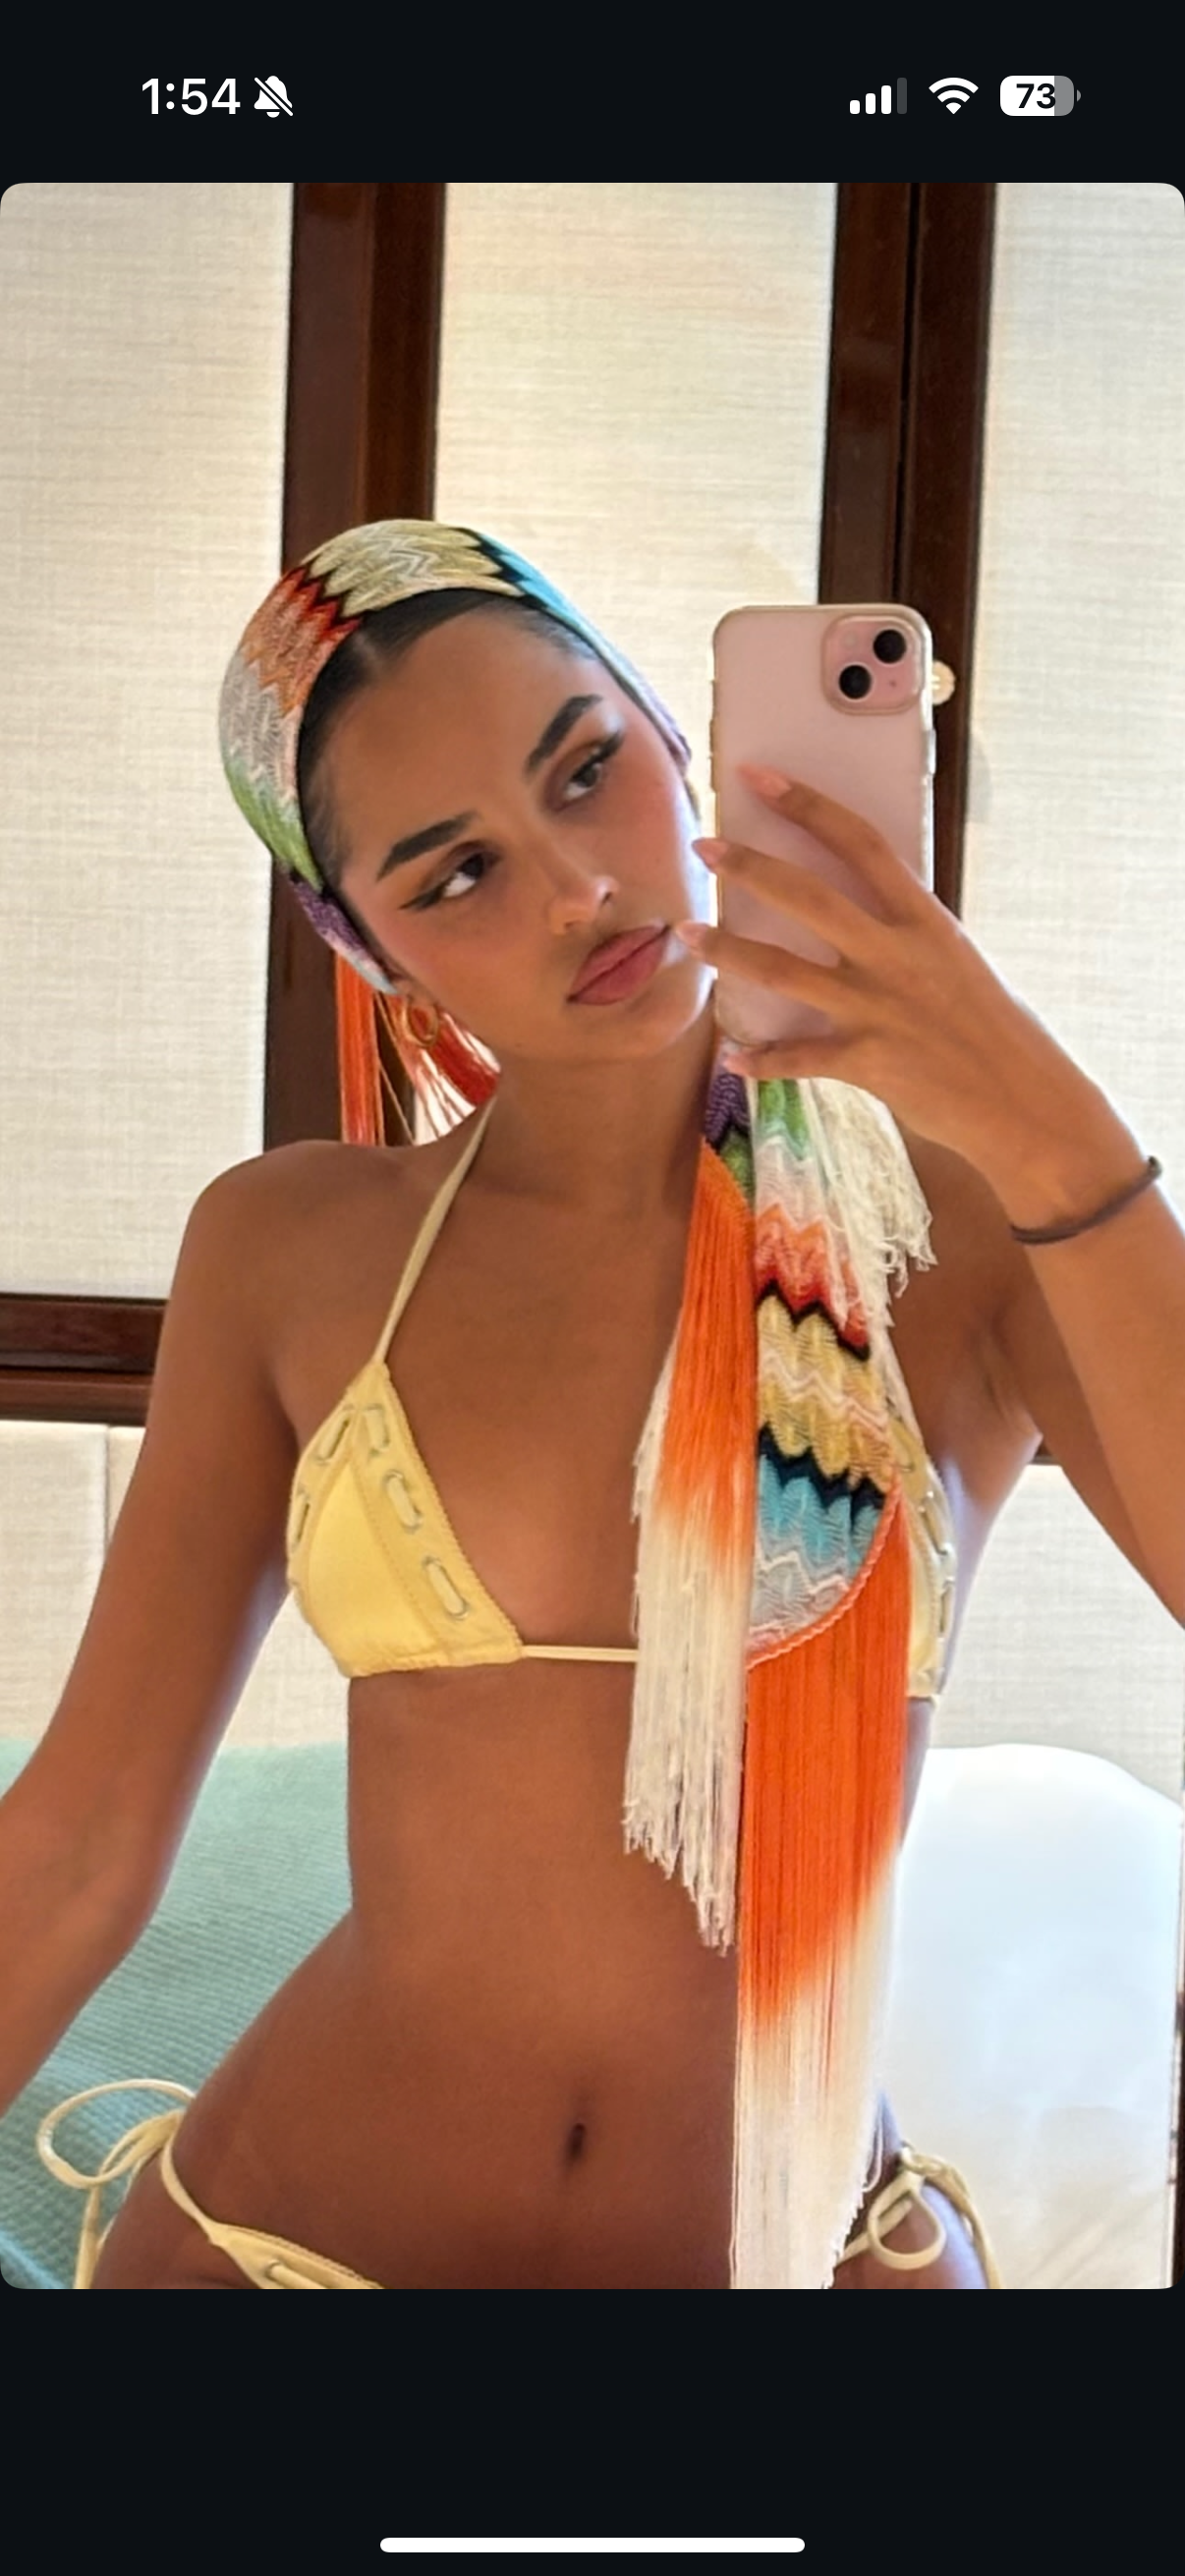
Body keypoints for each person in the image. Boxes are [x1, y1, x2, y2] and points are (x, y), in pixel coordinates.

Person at [7, 520, 1178, 2290]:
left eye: (584, 769)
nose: (573, 887)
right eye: (456, 872)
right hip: (284, 2252)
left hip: (794, 2261)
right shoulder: (292, 1248)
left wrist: (1046, 1124)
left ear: (677, 731)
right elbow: (84, 1841)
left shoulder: (964, 1229)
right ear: (367, 946)